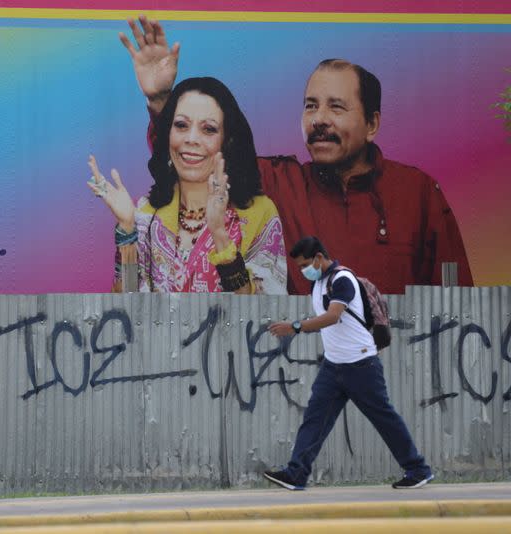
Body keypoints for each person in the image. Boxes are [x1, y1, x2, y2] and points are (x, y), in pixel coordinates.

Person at [119, 16, 474, 295]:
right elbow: (198, 159)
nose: (319, 119)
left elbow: (460, 305)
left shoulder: (417, 192)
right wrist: (162, 101)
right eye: (310, 106)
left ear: (372, 124)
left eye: (336, 107)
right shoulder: (281, 184)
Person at [87, 76, 287, 294]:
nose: (191, 139)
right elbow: (126, 311)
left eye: (208, 129)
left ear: (227, 140)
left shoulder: (259, 213)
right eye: (181, 125)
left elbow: (264, 314)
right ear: (168, 134)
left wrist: (219, 234)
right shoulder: (147, 213)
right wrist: (127, 228)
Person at [265, 236, 434, 490]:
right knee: (315, 419)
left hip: (361, 364)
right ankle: (296, 473)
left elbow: (333, 316)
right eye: (299, 267)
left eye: (305, 265)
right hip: (334, 367)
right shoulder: (319, 284)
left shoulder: (342, 279)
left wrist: (295, 327)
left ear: (319, 258)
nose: (302, 271)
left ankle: (418, 469)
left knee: (384, 418)